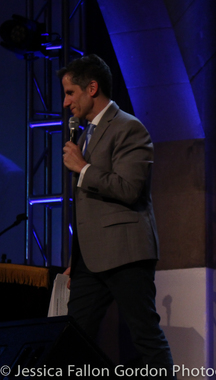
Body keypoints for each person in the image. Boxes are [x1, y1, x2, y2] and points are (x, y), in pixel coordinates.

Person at [60, 54, 175, 379]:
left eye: (70, 93)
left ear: (92, 88)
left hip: (127, 254)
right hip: (91, 263)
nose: (66, 101)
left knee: (146, 340)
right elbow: (89, 207)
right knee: (71, 340)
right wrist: (78, 258)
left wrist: (83, 167)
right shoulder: (87, 134)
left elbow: (128, 189)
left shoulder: (129, 127)